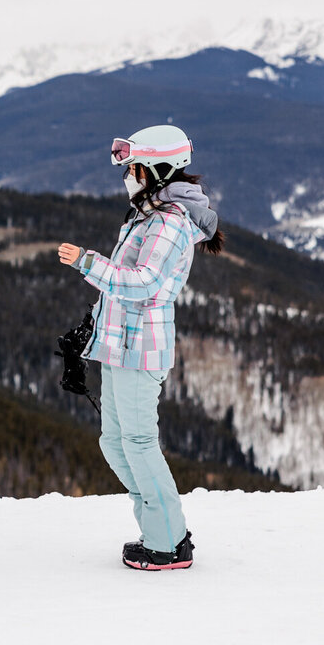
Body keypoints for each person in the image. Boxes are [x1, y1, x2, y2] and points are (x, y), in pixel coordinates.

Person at [57, 124, 222, 571]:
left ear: (159, 169)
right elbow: (120, 292)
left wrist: (87, 262)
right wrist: (86, 334)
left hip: (141, 348)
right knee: (115, 443)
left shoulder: (168, 222)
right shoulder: (149, 215)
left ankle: (166, 543)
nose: (128, 175)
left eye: (134, 167)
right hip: (119, 346)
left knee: (138, 442)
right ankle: (162, 526)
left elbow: (143, 283)